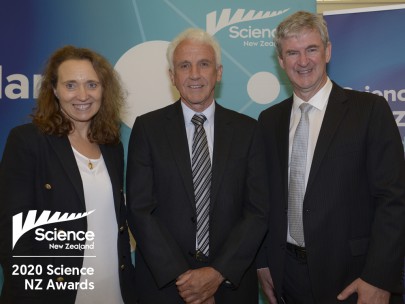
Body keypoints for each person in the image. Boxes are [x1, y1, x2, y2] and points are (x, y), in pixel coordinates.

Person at [256, 10, 405, 304]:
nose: (303, 61)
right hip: (287, 277)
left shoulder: (370, 111)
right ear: (281, 60)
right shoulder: (268, 121)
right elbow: (261, 199)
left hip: (355, 278)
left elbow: (394, 199)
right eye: (292, 53)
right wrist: (262, 262)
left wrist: (378, 277)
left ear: (328, 51)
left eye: (312, 49)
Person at [126, 28, 269, 304]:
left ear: (219, 72)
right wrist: (188, 282)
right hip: (166, 287)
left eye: (204, 64)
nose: (194, 74)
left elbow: (258, 211)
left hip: (229, 287)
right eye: (184, 65)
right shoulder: (148, 129)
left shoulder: (248, 131)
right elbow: (140, 209)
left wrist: (216, 274)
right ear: (172, 76)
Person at [0, 45, 136, 303]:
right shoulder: (28, 141)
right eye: (71, 85)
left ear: (104, 90)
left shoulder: (112, 145)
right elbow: (12, 235)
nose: (82, 95)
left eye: (92, 85)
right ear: (54, 90)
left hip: (114, 291)